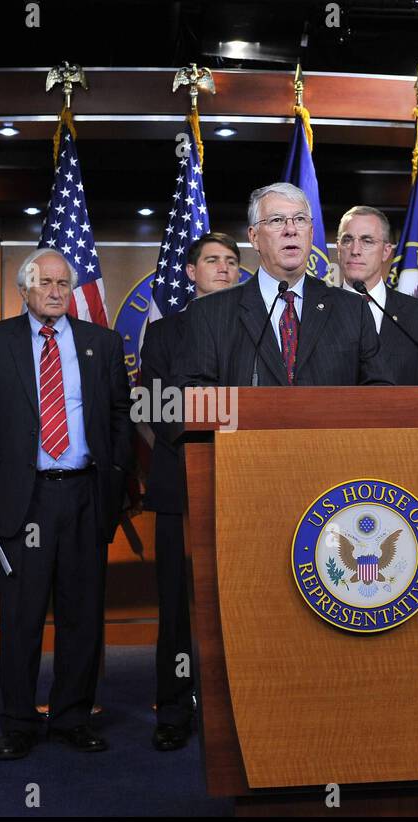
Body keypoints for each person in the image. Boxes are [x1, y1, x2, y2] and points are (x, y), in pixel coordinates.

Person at [0, 248, 132, 760]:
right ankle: (17, 722)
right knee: (21, 617)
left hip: (84, 494)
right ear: (24, 289)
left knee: (82, 615)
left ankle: (72, 717)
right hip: (22, 499)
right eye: (45, 283)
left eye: (63, 283)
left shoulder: (101, 343)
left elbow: (121, 417)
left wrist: (117, 483)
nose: (55, 291)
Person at [139, 232, 239, 752]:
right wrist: (214, 433)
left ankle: (241, 705)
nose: (222, 269)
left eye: (230, 261)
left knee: (248, 604)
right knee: (178, 606)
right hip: (183, 485)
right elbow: (155, 407)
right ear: (191, 272)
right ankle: (174, 709)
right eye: (212, 262)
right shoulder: (163, 335)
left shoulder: (260, 324)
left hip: (252, 486)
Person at [178, 183, 391, 388]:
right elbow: (194, 397)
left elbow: (379, 390)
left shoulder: (353, 309)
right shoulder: (209, 313)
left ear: (311, 233)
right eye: (277, 220)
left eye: (300, 219)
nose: (291, 230)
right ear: (253, 237)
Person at [337, 205, 418, 386]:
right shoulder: (314, 310)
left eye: (367, 241)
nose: (355, 250)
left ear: (386, 251)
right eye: (347, 240)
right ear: (338, 247)